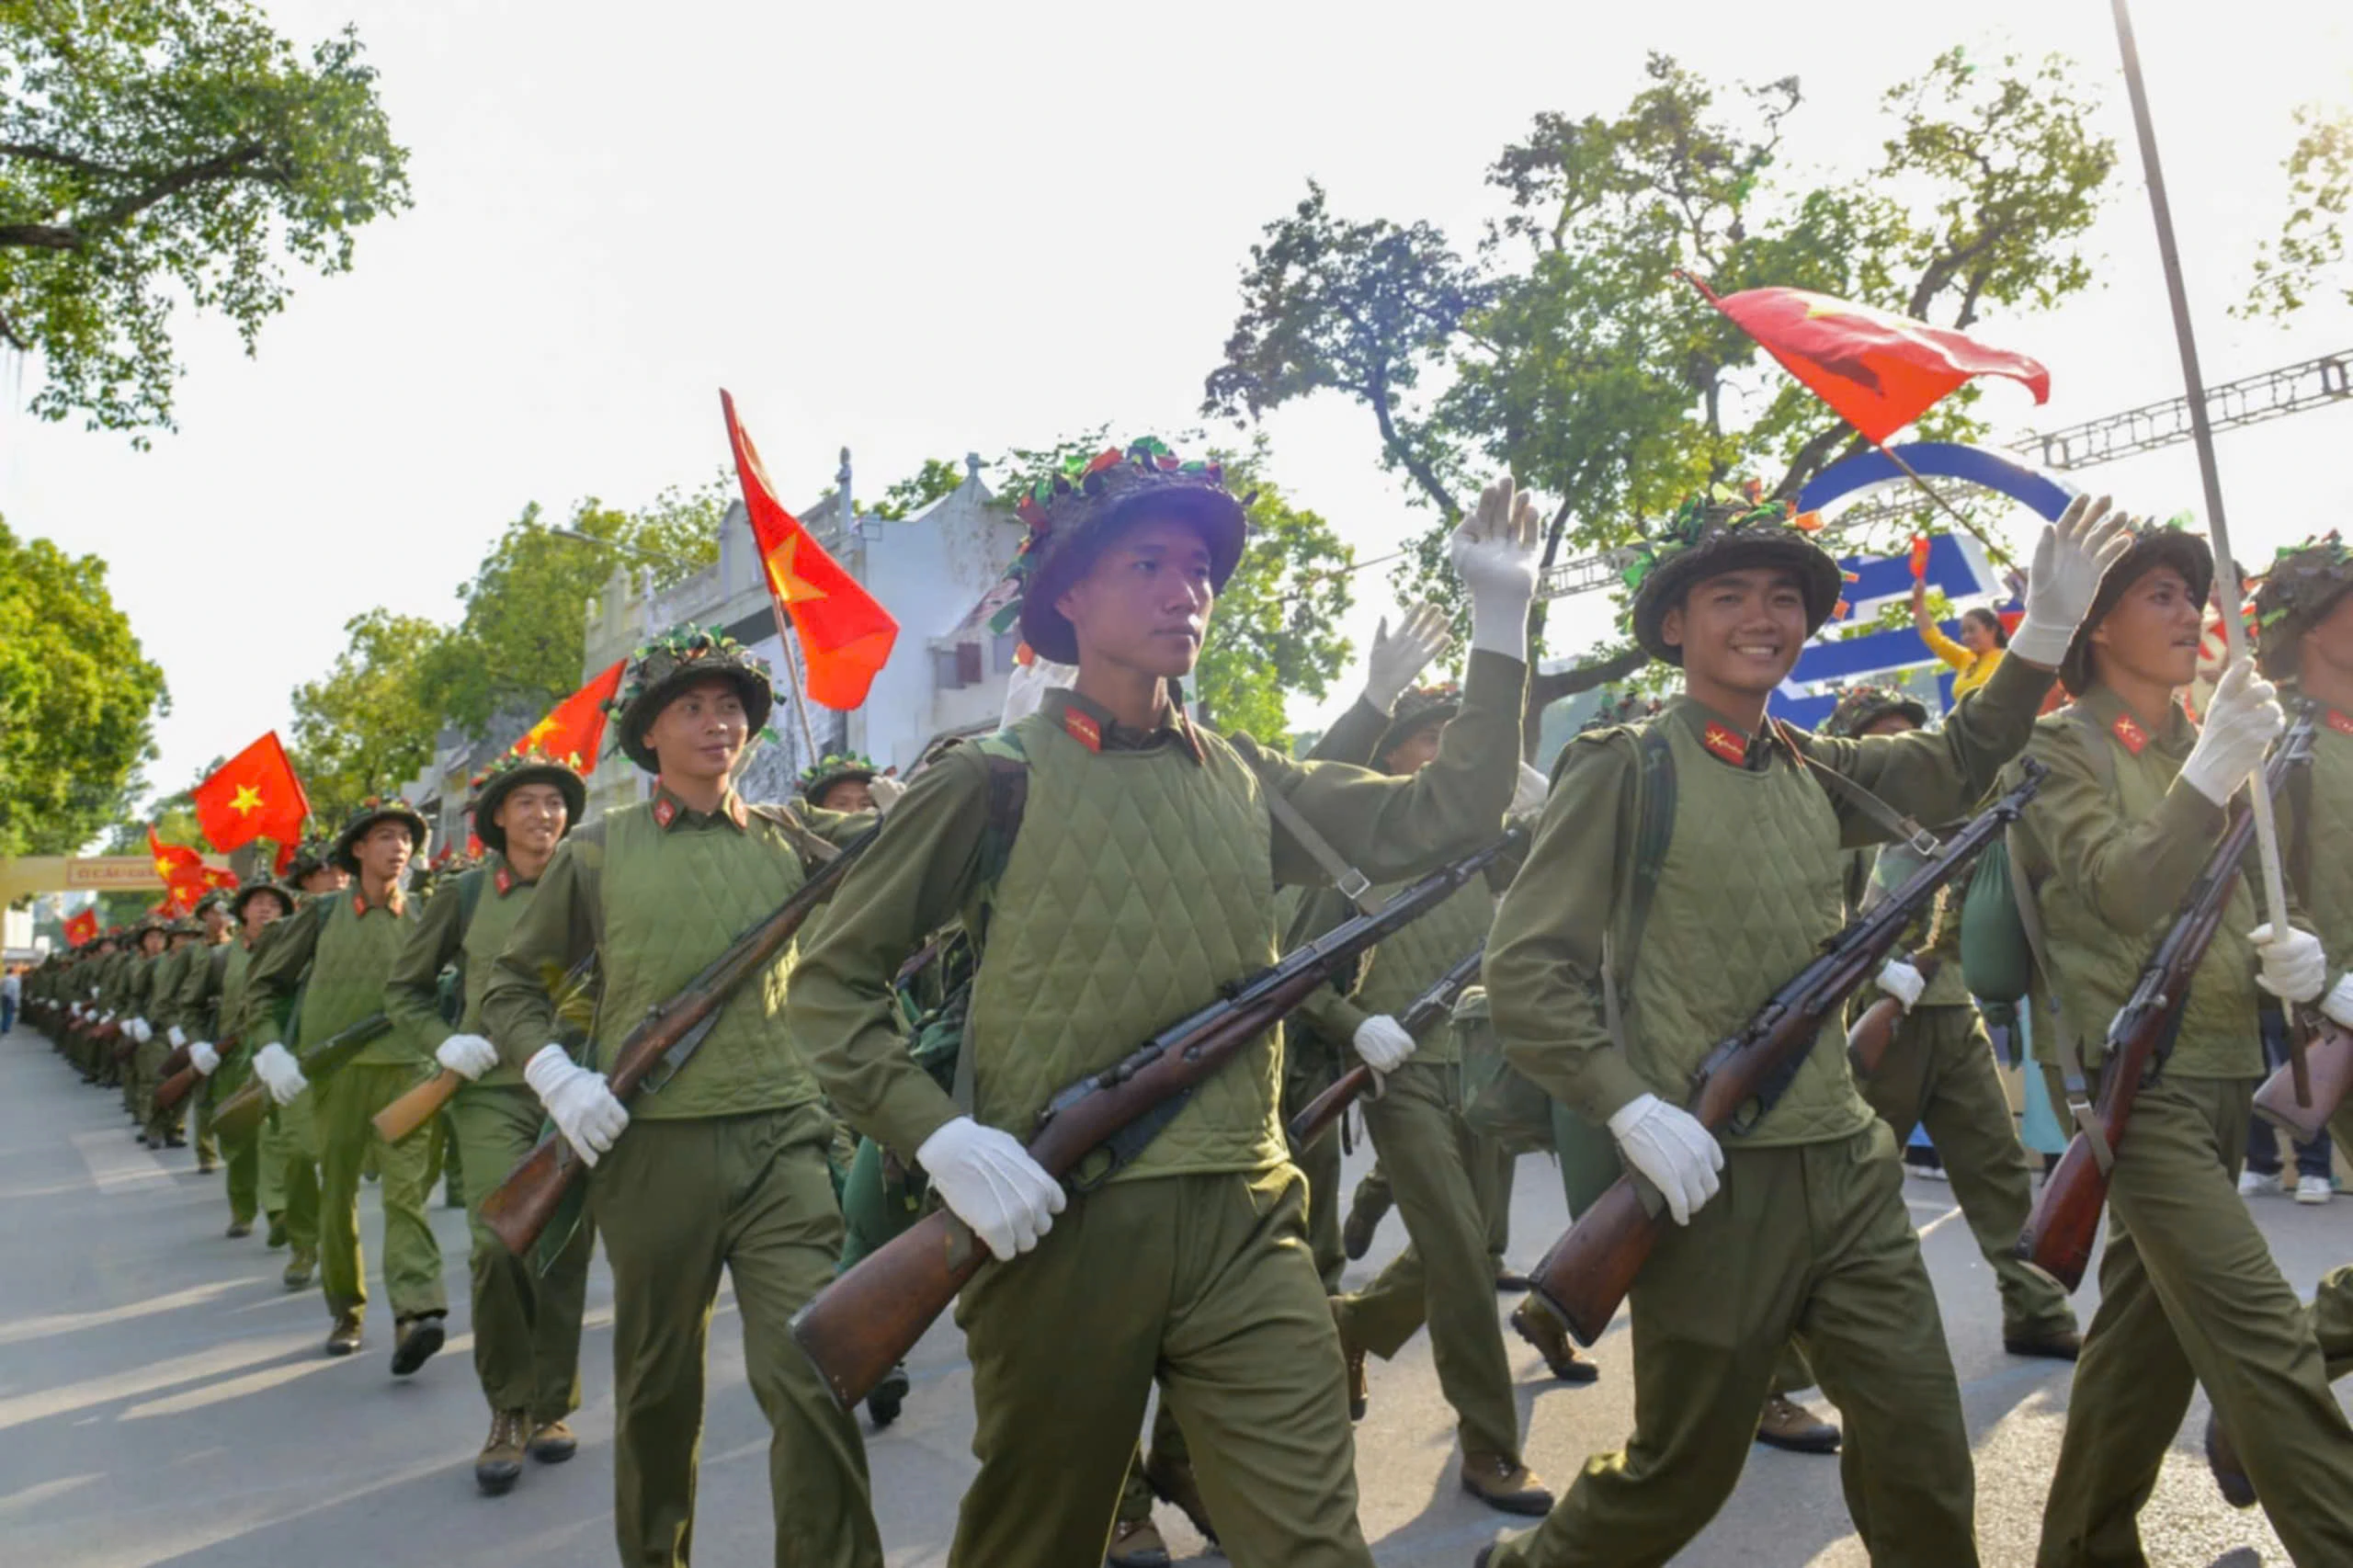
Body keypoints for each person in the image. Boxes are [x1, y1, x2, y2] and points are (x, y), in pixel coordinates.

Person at [791, 439, 1538, 1568]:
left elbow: (1446, 814)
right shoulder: (991, 778)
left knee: (1312, 1541)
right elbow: (830, 985)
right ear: (1070, 595)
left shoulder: (1247, 775)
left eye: (1197, 566)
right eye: (1147, 561)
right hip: (1062, 1227)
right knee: (1035, 1541)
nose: (1184, 587)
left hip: (1247, 1214)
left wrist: (1500, 629)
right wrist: (938, 1136)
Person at [1475, 486, 2125, 1568]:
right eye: (1727, 594)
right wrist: (1629, 1106)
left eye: (1783, 596)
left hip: (1847, 1161)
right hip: (1708, 1179)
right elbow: (1527, 970)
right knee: (1677, 1472)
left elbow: (1957, 762)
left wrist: (2041, 634)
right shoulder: (1624, 765)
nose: (1761, 616)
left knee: (1921, 1449)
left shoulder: (1817, 767)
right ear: (1674, 624)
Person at [480, 627, 883, 1568]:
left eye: (733, 705)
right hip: (650, 1146)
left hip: (783, 1137)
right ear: (649, 735)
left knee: (815, 1374)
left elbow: (910, 833)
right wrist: (559, 1075)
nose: (720, 721)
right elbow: (511, 986)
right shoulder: (598, 853)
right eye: (693, 706)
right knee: (660, 1390)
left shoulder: (795, 836)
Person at [2006, 520, 2353, 1567]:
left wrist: (2295, 961)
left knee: (2136, 1359)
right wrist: (2205, 775)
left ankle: (2079, 1548)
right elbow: (2119, 890)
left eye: (2189, 595)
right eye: (2159, 594)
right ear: (2099, 621)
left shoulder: (2207, 745)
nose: (2187, 613)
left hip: (2222, 1073)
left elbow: (2234, 911)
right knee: (2266, 1346)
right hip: (2136, 1084)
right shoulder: (2059, 746)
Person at [1298, 682, 1555, 1517]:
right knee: (1456, 1254)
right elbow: (1289, 967)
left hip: (1482, 1065)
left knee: (1478, 1249)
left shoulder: (1487, 843)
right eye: (1430, 736)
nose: (1448, 747)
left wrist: (1542, 808)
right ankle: (1490, 1442)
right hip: (1401, 1073)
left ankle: (1357, 1326)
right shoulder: (1359, 855)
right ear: (1394, 756)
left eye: (1458, 733)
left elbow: (1565, 880)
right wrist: (1357, 1020)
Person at [1822, 683, 2082, 1358]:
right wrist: (1882, 982)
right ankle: (1784, 1357)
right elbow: (1823, 920)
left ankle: (2035, 1306)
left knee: (1996, 1168)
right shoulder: (1839, 825)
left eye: (1906, 736)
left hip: (1947, 1012)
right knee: (1852, 1187)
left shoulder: (1951, 813)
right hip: (1876, 1020)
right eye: (1879, 736)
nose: (1897, 749)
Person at [388, 752, 596, 1496]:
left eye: (555, 802)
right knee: (498, 1243)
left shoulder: (595, 881)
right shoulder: (467, 895)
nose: (544, 814)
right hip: (492, 1091)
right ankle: (507, 1407)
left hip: (580, 1092)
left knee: (562, 1253)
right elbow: (405, 992)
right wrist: (440, 1042)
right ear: (497, 818)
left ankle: (550, 1408)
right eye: (527, 803)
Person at [2202, 530, 2353, 1512]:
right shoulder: (2288, 748)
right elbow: (2251, 890)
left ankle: (2269, 1385)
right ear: (2305, 630)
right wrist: (2322, 980)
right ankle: (2269, 1395)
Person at [243, 800, 440, 1366]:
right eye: (384, 836)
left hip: (408, 1071)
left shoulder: (426, 913)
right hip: (334, 1077)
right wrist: (272, 1048)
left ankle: (414, 1311)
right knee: (338, 1198)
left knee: (406, 1197)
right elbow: (266, 988)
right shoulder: (322, 914)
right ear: (358, 849)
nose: (398, 847)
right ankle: (346, 1310)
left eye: (405, 837)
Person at [252, 841, 347, 1278]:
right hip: (301, 1055)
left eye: (342, 870)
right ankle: (304, 1244)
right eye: (325, 872)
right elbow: (264, 994)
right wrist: (270, 1049)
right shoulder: (285, 929)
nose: (337, 879)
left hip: (364, 1054)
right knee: (302, 1154)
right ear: (306, 881)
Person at [1911, 581, 2009, 698]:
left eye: (1972, 630)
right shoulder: (1965, 658)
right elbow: (1934, 639)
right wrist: (1918, 601)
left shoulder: (2008, 659)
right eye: (1963, 632)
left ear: (1992, 629)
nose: (1966, 636)